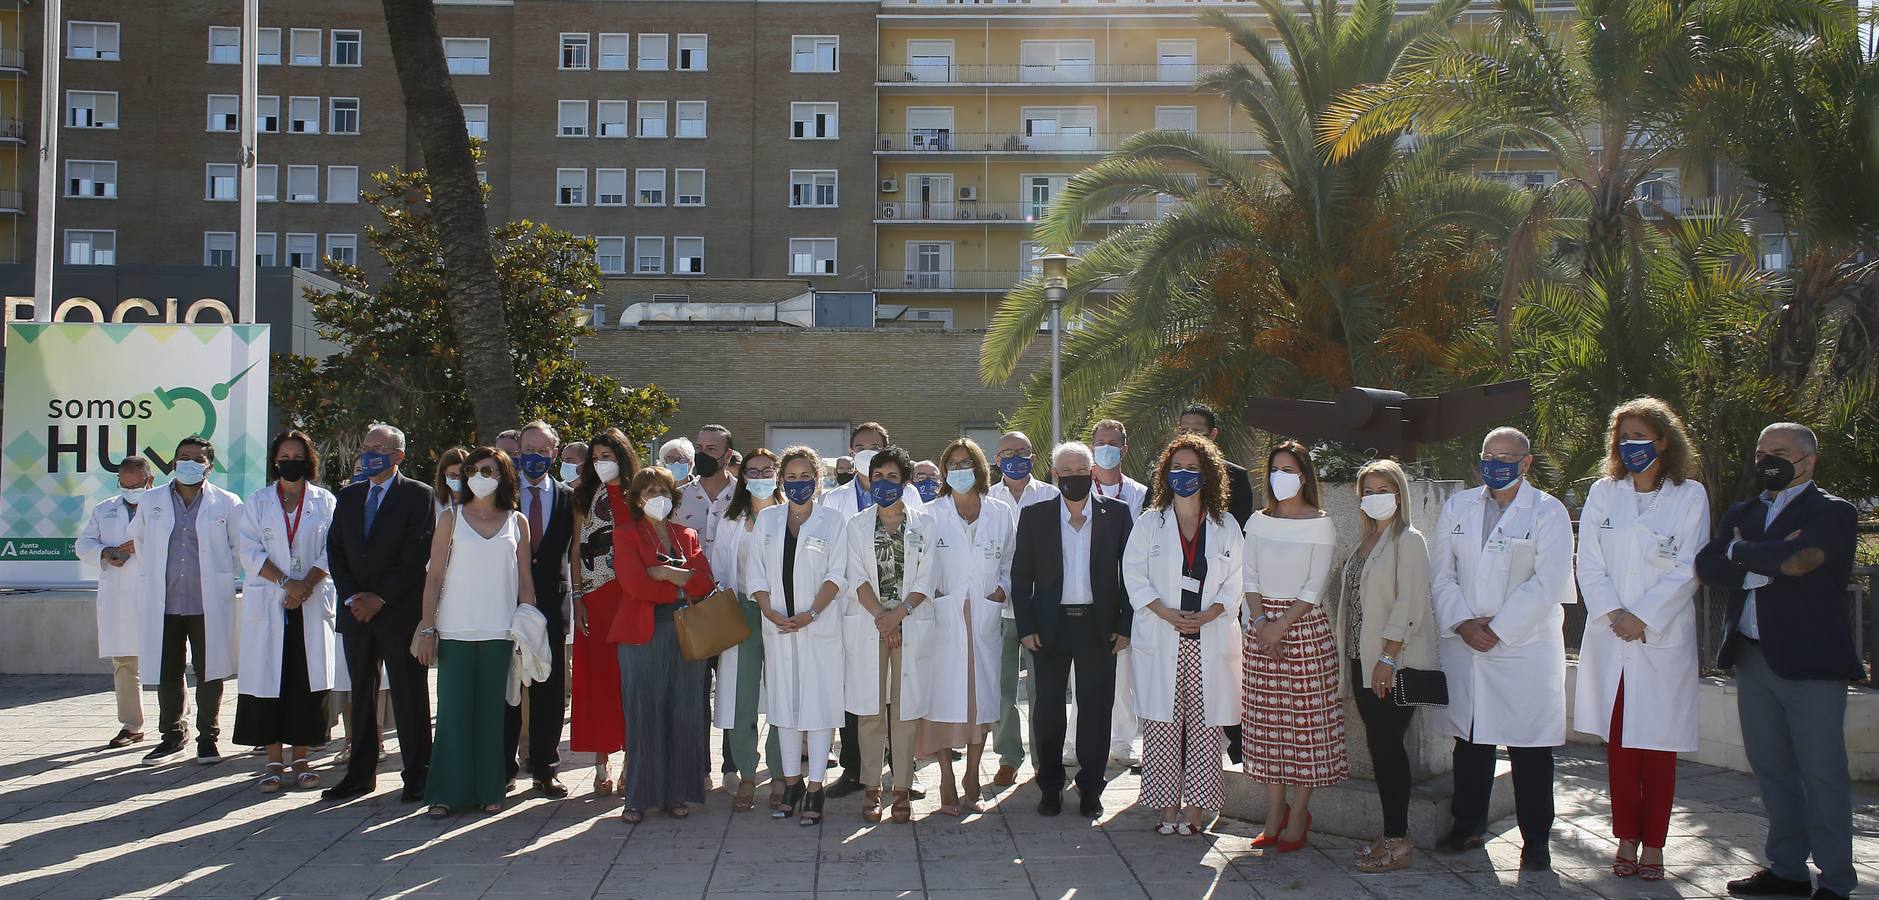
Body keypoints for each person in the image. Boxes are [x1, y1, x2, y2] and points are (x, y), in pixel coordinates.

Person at [1697, 423, 1861, 900]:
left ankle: (1836, 881)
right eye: (1761, 450)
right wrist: (1760, 562)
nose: (1767, 459)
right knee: (1771, 770)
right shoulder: (1744, 510)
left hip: (1811, 664)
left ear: (1808, 461)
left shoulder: (1832, 511)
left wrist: (1740, 553)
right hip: (1752, 658)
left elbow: (1801, 560)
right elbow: (1709, 566)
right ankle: (1787, 870)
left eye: (1780, 452)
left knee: (1822, 774)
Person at [1571, 399, 1710, 881]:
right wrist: (1615, 613)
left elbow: (1688, 565)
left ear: (1664, 441)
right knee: (1621, 749)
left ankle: (1654, 845)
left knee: (1658, 747)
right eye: (1623, 438)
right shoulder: (1602, 494)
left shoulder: (1688, 495)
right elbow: (1588, 561)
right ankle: (1625, 838)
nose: (1631, 446)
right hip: (1613, 634)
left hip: (1660, 636)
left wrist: (1643, 618)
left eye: (1641, 437)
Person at [1429, 427, 1575, 871]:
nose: (1495, 464)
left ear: (1526, 463)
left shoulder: (1547, 512)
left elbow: (1548, 581)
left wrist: (1500, 627)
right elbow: (1441, 572)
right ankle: (1467, 827)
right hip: (1466, 637)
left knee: (1530, 747)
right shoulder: (1458, 506)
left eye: (1506, 457)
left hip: (1523, 645)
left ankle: (1535, 841)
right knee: (1471, 740)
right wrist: (1463, 621)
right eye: (1488, 455)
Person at [1123, 434, 1244, 835]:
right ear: (1165, 474)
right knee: (1163, 725)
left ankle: (1197, 809)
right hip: (1163, 633)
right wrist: (1164, 612)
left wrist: (1210, 612)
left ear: (1207, 474)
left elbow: (1237, 581)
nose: (1184, 475)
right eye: (1177, 468)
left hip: (1208, 636)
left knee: (1206, 727)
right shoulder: (1149, 522)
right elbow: (1133, 575)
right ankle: (1166, 808)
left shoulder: (1226, 525)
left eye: (1193, 469)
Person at [412, 447, 538, 817]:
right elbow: (433, 577)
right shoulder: (450, 518)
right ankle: (446, 793)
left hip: (500, 632)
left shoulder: (518, 522)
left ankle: (489, 788)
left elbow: (525, 583)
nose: (480, 475)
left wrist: (526, 632)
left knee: (491, 715)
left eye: (489, 470)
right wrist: (427, 629)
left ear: (504, 476)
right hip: (454, 630)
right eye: (473, 469)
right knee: (453, 714)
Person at [1012, 441, 1133, 818]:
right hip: (1050, 627)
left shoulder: (1117, 514)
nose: (1075, 478)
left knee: (1096, 711)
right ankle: (1050, 786)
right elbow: (1020, 576)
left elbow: (1130, 574)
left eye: (1082, 471)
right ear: (1054, 475)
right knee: (1047, 710)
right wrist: (1026, 625)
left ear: (1093, 473)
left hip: (1099, 627)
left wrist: (1124, 624)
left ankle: (1091, 787)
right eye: (1067, 472)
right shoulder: (1036, 516)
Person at [323, 423, 437, 803]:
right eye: (366, 446)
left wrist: (380, 597)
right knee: (361, 693)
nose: (369, 453)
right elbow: (335, 549)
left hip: (398, 611)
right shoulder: (350, 495)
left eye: (379, 448)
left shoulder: (418, 495)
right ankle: (360, 773)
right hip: (356, 612)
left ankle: (418, 772)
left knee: (408, 693)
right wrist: (355, 595)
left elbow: (416, 554)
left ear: (398, 456)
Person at [1241, 440, 1345, 850]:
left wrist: (1282, 624)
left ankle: (1299, 813)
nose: (1280, 477)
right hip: (1262, 628)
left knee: (1306, 729)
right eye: (1275, 469)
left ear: (1304, 476)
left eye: (1289, 469)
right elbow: (1248, 577)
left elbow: (1314, 585)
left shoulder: (1322, 523)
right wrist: (1263, 622)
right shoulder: (1257, 521)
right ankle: (1273, 813)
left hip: (1303, 630)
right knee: (1268, 728)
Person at [1333, 459, 1436, 872]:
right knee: (1380, 746)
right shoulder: (1366, 540)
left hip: (1390, 664)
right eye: (1368, 491)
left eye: (1383, 490)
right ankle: (1392, 832)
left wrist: (1388, 658)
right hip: (1361, 661)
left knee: (1390, 749)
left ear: (1399, 494)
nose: (1375, 498)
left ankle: (1398, 840)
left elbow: (1409, 603)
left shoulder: (1407, 540)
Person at [912, 438, 1016, 815]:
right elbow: (918, 564)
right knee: (941, 698)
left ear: (980, 468)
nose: (959, 470)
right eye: (952, 464)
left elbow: (1010, 559)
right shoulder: (929, 513)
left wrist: (1001, 590)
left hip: (984, 613)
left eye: (965, 463)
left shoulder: (1000, 512)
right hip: (943, 614)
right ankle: (945, 775)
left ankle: (972, 774)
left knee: (980, 700)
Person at [746, 447, 849, 825]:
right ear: (780, 480)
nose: (798, 483)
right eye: (791, 477)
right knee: (785, 708)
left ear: (817, 480)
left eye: (806, 476)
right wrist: (769, 610)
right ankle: (791, 783)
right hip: (777, 626)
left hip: (818, 626)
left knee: (818, 708)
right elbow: (755, 573)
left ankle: (816, 787)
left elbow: (837, 575)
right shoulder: (768, 520)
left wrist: (811, 613)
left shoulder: (833, 521)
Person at [608, 465, 715, 823]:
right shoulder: (625, 534)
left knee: (684, 714)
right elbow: (635, 585)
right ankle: (638, 797)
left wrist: (667, 573)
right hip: (642, 635)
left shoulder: (686, 534)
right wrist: (683, 580)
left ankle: (677, 794)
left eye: (664, 491)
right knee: (643, 714)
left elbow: (705, 583)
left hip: (686, 632)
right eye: (650, 492)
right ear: (638, 500)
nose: (658, 498)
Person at [234, 431, 338, 792]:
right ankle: (274, 761)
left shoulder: (325, 501)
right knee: (269, 682)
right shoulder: (259, 501)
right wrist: (285, 584)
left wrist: (304, 584)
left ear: (308, 459)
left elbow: (332, 549)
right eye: (284, 455)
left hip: (309, 602)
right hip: (271, 600)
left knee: (304, 682)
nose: (290, 460)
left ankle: (303, 759)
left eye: (297, 455)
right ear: (275, 460)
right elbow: (248, 551)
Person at [134, 436, 244, 766]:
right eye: (183, 457)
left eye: (197, 459)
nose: (189, 463)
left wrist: (221, 576)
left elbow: (238, 549)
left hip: (207, 601)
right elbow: (140, 542)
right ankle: (171, 736)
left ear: (209, 466)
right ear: (173, 461)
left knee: (209, 670)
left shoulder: (226, 502)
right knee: (168, 670)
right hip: (164, 601)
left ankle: (208, 738)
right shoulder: (151, 500)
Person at [841, 445, 934, 824]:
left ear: (905, 482)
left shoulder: (924, 524)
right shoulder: (857, 525)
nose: (884, 483)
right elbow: (856, 577)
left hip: (908, 620)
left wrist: (897, 616)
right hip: (871, 622)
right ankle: (871, 788)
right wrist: (882, 617)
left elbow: (926, 579)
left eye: (892, 477)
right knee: (871, 709)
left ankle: (901, 788)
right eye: (877, 477)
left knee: (905, 708)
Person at [1174, 403, 1255, 766]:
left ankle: (1238, 745)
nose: (1190, 435)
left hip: (1219, 593)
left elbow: (1239, 534)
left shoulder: (1235, 477)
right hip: (1174, 600)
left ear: (1214, 434)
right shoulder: (1167, 474)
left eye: (1198, 429)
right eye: (1183, 428)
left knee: (1224, 680)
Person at [713, 447, 787, 812]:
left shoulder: (792, 516)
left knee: (780, 695)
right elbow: (720, 570)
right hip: (742, 612)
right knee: (742, 699)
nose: (760, 477)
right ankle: (746, 774)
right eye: (753, 471)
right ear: (743, 477)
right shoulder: (731, 520)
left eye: (767, 470)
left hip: (782, 616)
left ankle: (778, 772)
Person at [505, 421, 575, 797]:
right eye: (527, 449)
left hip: (551, 604)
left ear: (554, 452)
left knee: (549, 690)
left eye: (542, 450)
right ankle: (502, 765)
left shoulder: (567, 496)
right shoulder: (502, 491)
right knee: (509, 686)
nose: (535, 457)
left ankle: (545, 767)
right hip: (504, 602)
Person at [570, 429, 640, 796]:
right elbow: (576, 549)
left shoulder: (640, 494)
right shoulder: (582, 496)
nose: (601, 463)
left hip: (630, 598)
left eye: (608, 456)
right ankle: (601, 763)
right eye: (596, 457)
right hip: (595, 599)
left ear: (623, 458)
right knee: (597, 679)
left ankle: (632, 759)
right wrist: (577, 595)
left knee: (628, 680)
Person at [987, 429, 1059, 787]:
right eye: (1007, 453)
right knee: (1001, 689)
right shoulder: (986, 498)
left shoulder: (1051, 496)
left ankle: (1043, 759)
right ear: (997, 460)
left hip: (1040, 608)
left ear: (1033, 457)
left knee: (1042, 690)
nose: (1014, 457)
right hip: (999, 610)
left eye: (1022, 451)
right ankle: (1008, 757)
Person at [77, 455, 153, 749]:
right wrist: (107, 552)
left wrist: (142, 545)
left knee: (167, 661)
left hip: (153, 593)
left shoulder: (162, 506)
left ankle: (176, 723)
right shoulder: (104, 509)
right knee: (124, 662)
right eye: (124, 484)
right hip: (119, 595)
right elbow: (83, 545)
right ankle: (132, 725)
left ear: (149, 481)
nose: (129, 490)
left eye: (135, 485)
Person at [1088, 419, 1147, 768]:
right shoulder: (1079, 490)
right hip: (1085, 593)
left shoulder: (1139, 494)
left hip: (1125, 593)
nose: (1106, 448)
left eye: (1113, 442)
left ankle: (1122, 741)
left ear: (1124, 449)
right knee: (1082, 673)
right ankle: (1074, 740)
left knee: (1123, 672)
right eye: (1100, 442)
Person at [434, 448, 469, 517]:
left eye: (462, 475)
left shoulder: (479, 500)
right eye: (452, 475)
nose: (458, 479)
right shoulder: (435, 501)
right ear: (444, 474)